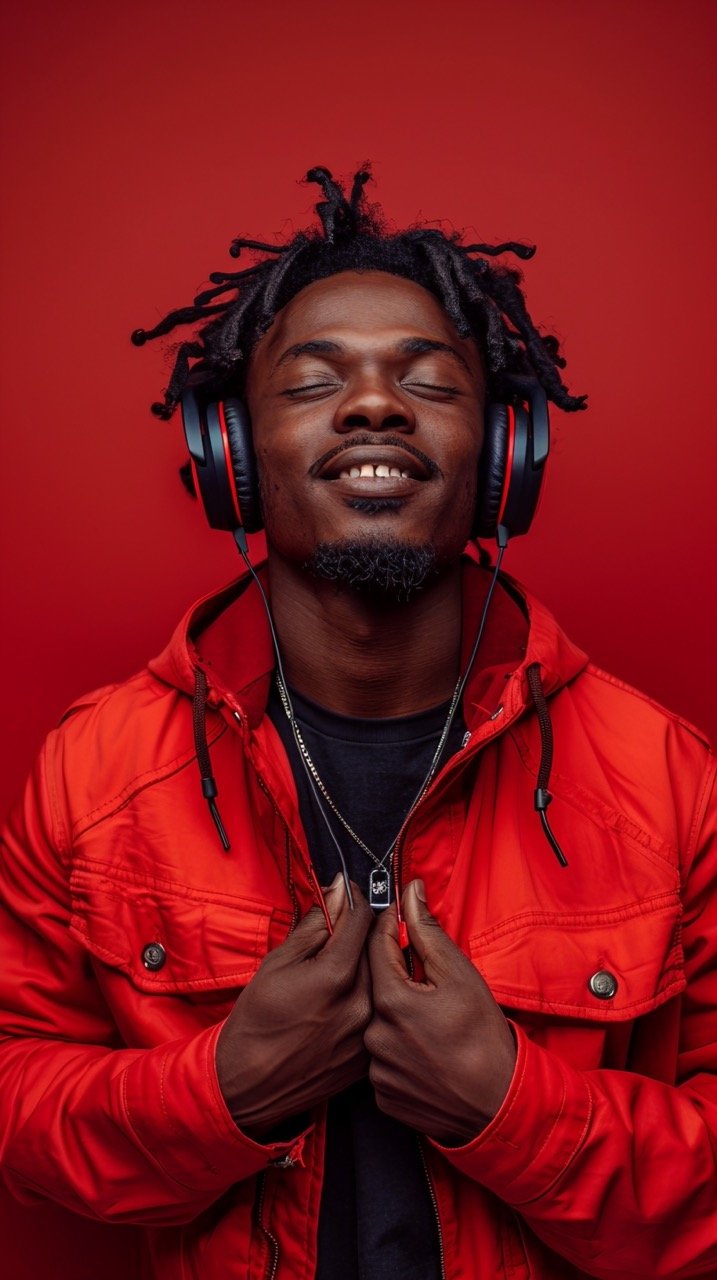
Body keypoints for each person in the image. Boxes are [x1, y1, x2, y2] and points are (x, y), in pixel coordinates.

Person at [1, 165, 716, 1280]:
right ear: (228, 455)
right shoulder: (94, 772)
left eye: (427, 381)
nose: (375, 405)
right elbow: (15, 1102)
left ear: (505, 457)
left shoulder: (667, 779)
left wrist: (512, 1106)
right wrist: (223, 1093)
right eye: (315, 381)